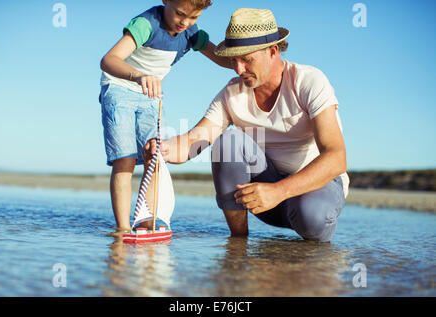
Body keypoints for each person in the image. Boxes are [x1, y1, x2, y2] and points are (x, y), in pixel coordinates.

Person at [146, 8, 350, 242]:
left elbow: (336, 157)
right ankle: (238, 244)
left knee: (310, 214)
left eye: (246, 59)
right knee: (228, 142)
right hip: (264, 197)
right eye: (233, 59)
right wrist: (162, 148)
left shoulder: (308, 81)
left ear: (273, 51)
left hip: (315, 193)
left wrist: (279, 191)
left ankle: (312, 254)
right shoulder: (232, 93)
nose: (238, 69)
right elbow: (194, 140)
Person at [99, 0, 231, 231]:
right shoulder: (146, 24)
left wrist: (247, 62)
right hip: (120, 88)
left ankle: (147, 223)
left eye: (193, 18)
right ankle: (122, 230)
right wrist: (138, 76)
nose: (185, 22)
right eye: (180, 13)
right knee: (125, 159)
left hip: (151, 95)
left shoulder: (191, 34)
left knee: (154, 156)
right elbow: (108, 60)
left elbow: (221, 58)